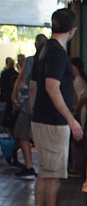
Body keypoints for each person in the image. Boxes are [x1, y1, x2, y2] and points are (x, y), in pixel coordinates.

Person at [29, 13, 82, 206]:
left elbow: (33, 88)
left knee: (45, 174)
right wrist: (71, 119)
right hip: (54, 123)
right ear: (73, 31)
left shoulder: (43, 50)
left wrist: (34, 117)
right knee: (53, 177)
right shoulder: (58, 53)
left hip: (42, 120)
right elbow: (52, 88)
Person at [10, 37, 45, 180]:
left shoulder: (32, 60)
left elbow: (24, 80)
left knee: (23, 133)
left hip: (30, 105)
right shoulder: (51, 59)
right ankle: (43, 166)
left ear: (35, 45)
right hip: (45, 105)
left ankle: (29, 166)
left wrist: (14, 96)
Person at [69, 57, 87, 176]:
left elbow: (82, 99)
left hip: (80, 113)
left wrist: (75, 111)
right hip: (79, 112)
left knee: (77, 140)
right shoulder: (77, 80)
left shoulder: (79, 81)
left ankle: (77, 166)